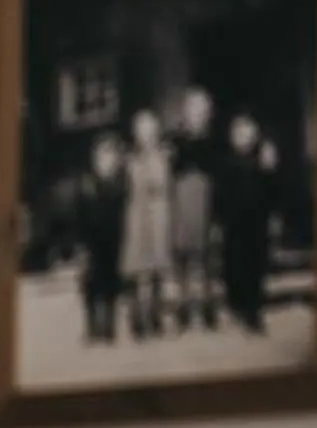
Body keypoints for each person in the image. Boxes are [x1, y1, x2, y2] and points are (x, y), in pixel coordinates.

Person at [212, 111, 280, 333]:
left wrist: (270, 170)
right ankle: (238, 306)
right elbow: (218, 195)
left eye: (247, 131)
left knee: (256, 266)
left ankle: (253, 311)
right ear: (232, 136)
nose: (243, 136)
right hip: (233, 224)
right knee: (234, 267)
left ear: (255, 134)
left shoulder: (264, 159)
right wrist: (217, 222)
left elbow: (273, 192)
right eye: (238, 132)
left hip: (257, 223)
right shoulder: (225, 161)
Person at [119, 107, 176, 338]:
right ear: (135, 133)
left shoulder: (166, 155)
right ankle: (138, 319)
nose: (147, 134)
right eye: (142, 130)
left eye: (151, 129)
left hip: (159, 214)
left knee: (157, 268)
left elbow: (169, 187)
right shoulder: (128, 159)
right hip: (136, 216)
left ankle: (155, 316)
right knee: (139, 270)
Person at [169, 87, 218, 331]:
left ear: (209, 113)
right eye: (193, 109)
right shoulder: (175, 141)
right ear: (185, 112)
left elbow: (220, 174)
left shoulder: (215, 141)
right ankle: (184, 304)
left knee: (206, 256)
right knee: (182, 255)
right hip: (181, 201)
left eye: (202, 109)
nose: (197, 114)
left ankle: (207, 304)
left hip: (205, 200)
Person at [76, 133, 130, 343]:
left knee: (111, 283)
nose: (107, 161)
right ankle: (91, 327)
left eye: (111, 157)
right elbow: (78, 215)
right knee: (91, 284)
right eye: (102, 156)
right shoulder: (86, 184)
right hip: (91, 242)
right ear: (95, 159)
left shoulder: (121, 184)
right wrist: (79, 245)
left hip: (114, 240)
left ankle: (108, 326)